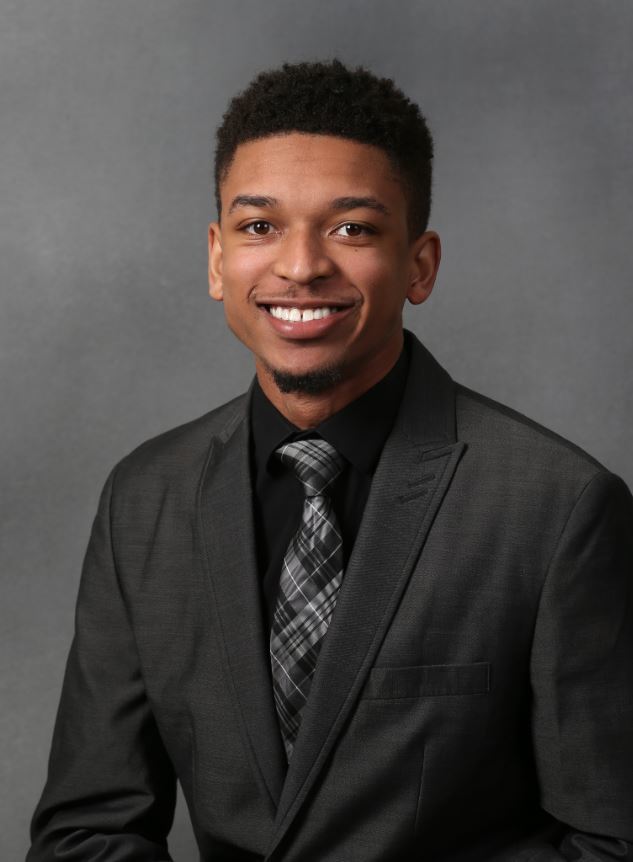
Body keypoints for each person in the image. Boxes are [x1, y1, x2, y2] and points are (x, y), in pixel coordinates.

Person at [28, 60, 633, 861]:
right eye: (258, 227)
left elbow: (610, 841)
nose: (301, 265)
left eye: (352, 229)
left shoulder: (556, 507)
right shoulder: (145, 498)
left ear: (419, 265)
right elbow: (86, 831)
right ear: (216, 260)